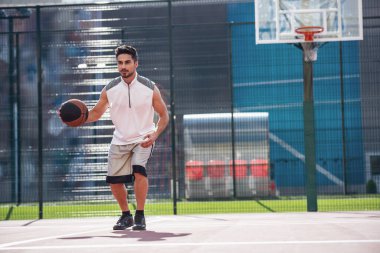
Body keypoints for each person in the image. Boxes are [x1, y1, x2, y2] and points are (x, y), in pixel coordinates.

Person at [85, 45, 169, 230]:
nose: (123, 66)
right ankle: (126, 216)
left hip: (143, 138)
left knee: (139, 171)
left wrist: (154, 134)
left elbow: (164, 115)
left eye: (127, 62)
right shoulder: (110, 88)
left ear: (136, 64)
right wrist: (78, 118)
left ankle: (140, 216)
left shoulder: (149, 87)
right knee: (114, 182)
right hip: (120, 140)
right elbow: (96, 113)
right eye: (120, 63)